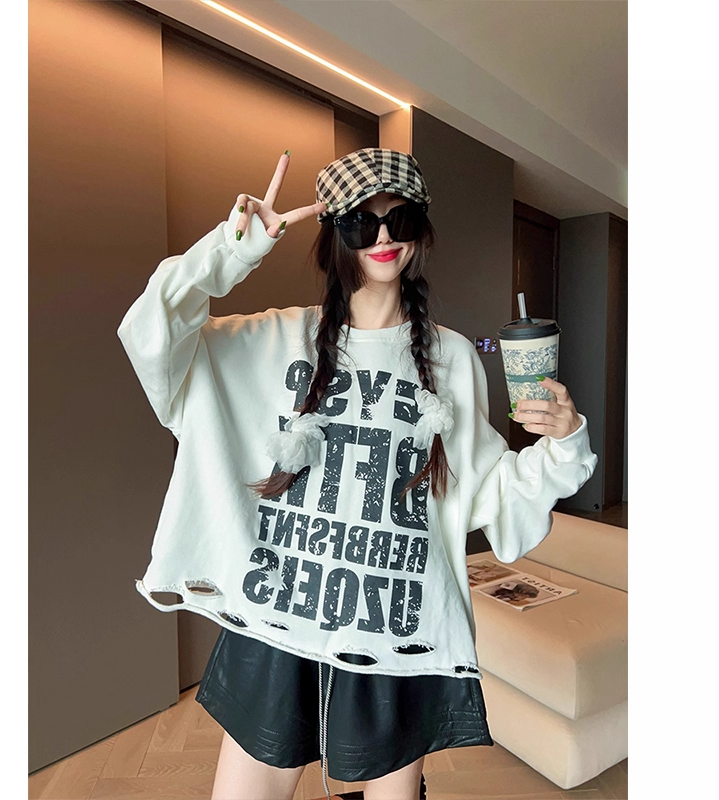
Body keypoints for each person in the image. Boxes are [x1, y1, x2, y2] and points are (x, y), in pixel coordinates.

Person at [117, 148, 597, 800]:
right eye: (360, 223)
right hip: (280, 615)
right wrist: (230, 252)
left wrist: (565, 443)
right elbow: (151, 333)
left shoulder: (453, 358)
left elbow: (488, 492)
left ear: (420, 230)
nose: (383, 237)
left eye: (401, 220)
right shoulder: (275, 339)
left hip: (395, 626)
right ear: (334, 235)